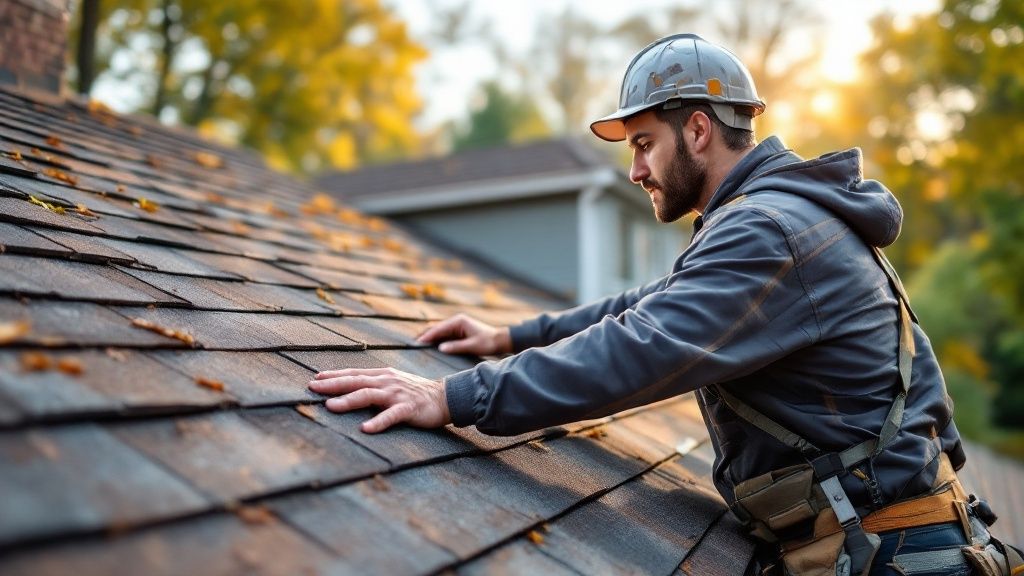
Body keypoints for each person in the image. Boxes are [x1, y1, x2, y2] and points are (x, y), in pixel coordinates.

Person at [308, 34, 1021, 576]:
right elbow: (650, 305)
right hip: (887, 541)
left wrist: (453, 397)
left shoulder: (766, 229)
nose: (635, 169)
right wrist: (510, 336)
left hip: (892, 555)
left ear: (699, 131)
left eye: (645, 143)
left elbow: (643, 346)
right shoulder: (776, 217)